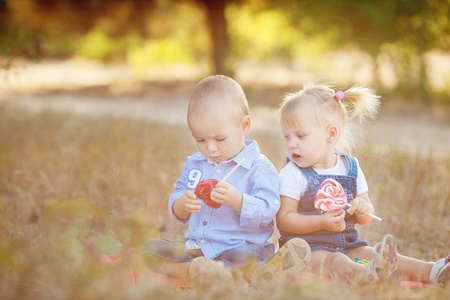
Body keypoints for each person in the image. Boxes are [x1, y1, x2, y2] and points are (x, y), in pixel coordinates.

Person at [142, 75, 311, 291]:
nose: (210, 148)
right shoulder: (195, 164)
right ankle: (195, 270)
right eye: (200, 140)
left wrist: (238, 200)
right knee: (151, 249)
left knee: (251, 257)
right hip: (199, 249)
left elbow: (268, 210)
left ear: (244, 126)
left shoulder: (259, 168)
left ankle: (260, 272)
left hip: (240, 247)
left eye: (220, 139)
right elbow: (179, 201)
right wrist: (182, 204)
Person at [276, 82, 449, 286]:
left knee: (371, 253)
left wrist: (363, 208)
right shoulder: (293, 174)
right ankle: (370, 277)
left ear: (331, 134)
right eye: (287, 136)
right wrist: (320, 222)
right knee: (336, 260)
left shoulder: (350, 167)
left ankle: (433, 271)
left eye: (300, 136)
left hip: (348, 245)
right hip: (304, 252)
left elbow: (366, 218)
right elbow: (284, 220)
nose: (291, 144)